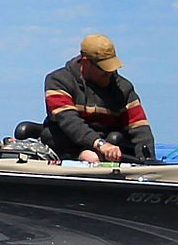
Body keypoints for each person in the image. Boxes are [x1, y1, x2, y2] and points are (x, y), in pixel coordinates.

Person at [40, 33, 156, 163]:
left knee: (116, 138)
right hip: (70, 144)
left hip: (108, 145)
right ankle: (80, 157)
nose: (108, 73)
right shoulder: (58, 81)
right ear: (85, 62)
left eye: (111, 68)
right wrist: (99, 145)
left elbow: (139, 127)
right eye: (103, 69)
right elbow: (69, 121)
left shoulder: (123, 88)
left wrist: (149, 161)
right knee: (56, 137)